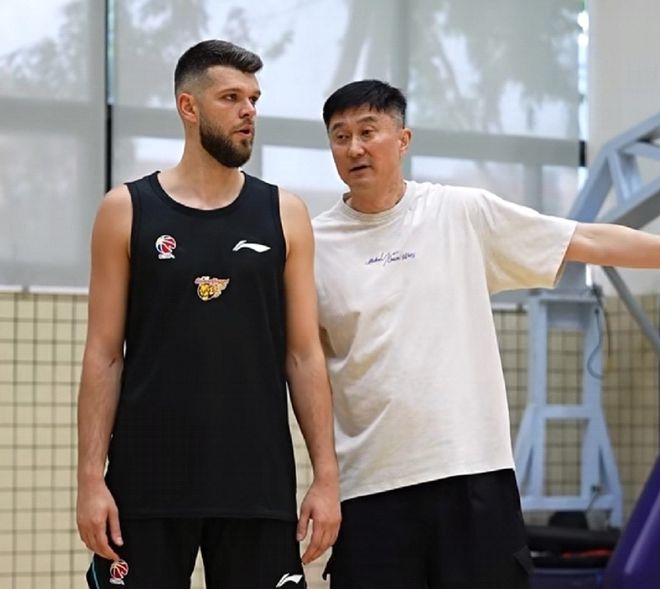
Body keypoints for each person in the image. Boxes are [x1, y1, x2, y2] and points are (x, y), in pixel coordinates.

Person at [312, 79, 660, 589]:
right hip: (370, 486)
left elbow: (584, 239)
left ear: (403, 140)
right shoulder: (313, 243)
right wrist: (322, 477)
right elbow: (305, 365)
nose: (354, 148)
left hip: (473, 473)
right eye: (340, 136)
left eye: (368, 131)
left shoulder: (461, 211)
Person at [76, 40, 340, 589]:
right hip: (145, 487)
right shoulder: (125, 210)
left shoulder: (285, 214)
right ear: (188, 107)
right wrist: (90, 480)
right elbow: (104, 355)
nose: (248, 112)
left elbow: (303, 354)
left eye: (254, 99)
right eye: (231, 98)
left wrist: (326, 477)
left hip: (257, 486)